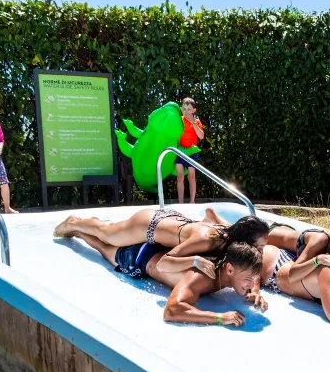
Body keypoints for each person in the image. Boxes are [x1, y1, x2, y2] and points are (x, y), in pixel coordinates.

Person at [72, 234, 266, 326]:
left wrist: (254, 292)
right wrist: (218, 318)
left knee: (106, 240)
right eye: (248, 280)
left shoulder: (229, 270)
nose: (250, 284)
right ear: (229, 269)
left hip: (158, 251)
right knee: (101, 245)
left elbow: (251, 277)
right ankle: (79, 231)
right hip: (137, 258)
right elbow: (171, 311)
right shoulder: (203, 276)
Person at [53, 209, 269, 278]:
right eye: (259, 246)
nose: (261, 251)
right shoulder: (207, 240)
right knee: (106, 234)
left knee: (108, 236)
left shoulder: (229, 233)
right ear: (245, 240)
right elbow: (165, 263)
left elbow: (211, 213)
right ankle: (75, 223)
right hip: (148, 225)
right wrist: (195, 261)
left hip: (171, 221)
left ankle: (80, 228)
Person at [175, 97, 204, 204]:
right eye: (184, 109)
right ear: (181, 109)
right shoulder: (179, 120)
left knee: (191, 176)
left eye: (189, 109)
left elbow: (201, 136)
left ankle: (192, 201)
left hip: (192, 153)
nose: (186, 111)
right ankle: (181, 202)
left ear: (194, 110)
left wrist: (194, 123)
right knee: (180, 176)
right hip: (180, 152)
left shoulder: (197, 121)